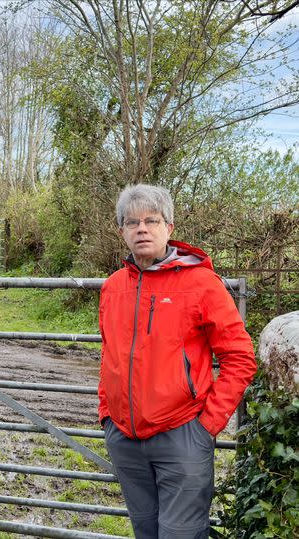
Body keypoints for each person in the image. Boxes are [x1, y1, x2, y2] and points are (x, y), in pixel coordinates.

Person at [98, 184, 257, 538]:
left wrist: (205, 428)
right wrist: (107, 413)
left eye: (151, 220)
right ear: (122, 231)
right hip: (125, 439)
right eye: (132, 222)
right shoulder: (113, 288)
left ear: (169, 228)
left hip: (182, 436)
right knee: (146, 532)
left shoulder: (201, 284)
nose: (142, 229)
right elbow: (109, 354)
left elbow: (240, 357)